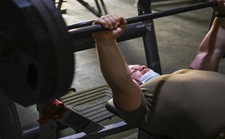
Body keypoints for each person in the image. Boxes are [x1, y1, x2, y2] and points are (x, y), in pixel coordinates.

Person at [92, 0, 225, 139]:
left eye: (138, 66)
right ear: (135, 85)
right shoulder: (143, 107)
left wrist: (221, 14)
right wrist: (105, 41)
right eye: (132, 71)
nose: (139, 66)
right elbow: (120, 83)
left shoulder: (190, 74)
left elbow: (211, 51)